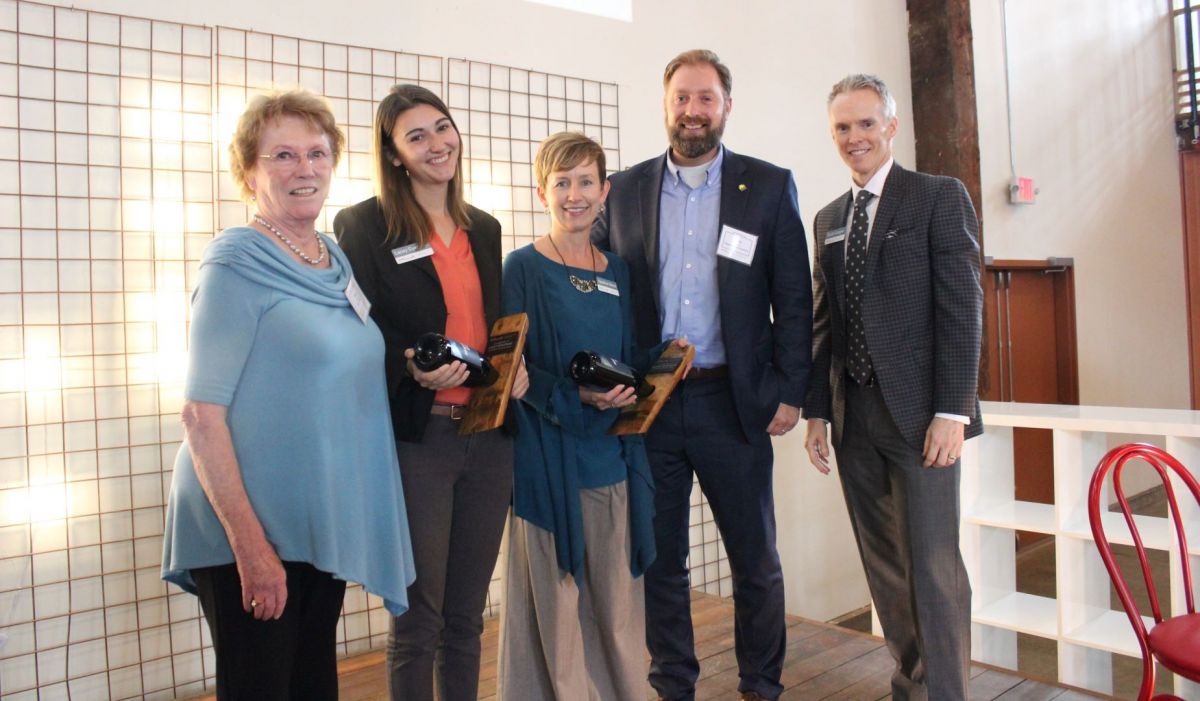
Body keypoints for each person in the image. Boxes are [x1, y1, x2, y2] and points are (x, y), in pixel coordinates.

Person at [160, 88, 414, 700]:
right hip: (251, 533)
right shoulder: (234, 263)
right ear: (249, 171)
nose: (304, 169)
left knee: (310, 689)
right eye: (282, 156)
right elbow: (200, 415)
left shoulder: (333, 261)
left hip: (314, 530)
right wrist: (251, 548)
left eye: (317, 153)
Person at [593, 49, 812, 701]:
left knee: (755, 560)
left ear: (726, 107)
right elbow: (604, 287)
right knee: (661, 561)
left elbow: (794, 296)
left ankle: (761, 685)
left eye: (706, 98)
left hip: (734, 402)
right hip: (650, 402)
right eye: (682, 98)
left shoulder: (768, 185)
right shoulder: (625, 188)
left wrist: (789, 390)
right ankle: (674, 685)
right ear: (666, 105)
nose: (693, 110)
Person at [333, 84, 528, 701]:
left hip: (489, 436)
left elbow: (491, 326)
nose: (436, 144)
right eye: (416, 136)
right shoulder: (364, 225)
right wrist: (408, 366)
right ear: (394, 155)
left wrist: (514, 370)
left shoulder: (485, 228)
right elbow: (355, 329)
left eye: (442, 128)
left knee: (469, 617)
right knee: (420, 619)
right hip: (421, 439)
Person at [803, 73, 983, 700]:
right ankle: (913, 687)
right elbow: (823, 324)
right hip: (855, 420)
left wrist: (952, 412)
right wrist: (818, 414)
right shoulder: (828, 218)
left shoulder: (936, 196)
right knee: (886, 570)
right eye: (842, 128)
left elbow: (963, 308)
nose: (855, 137)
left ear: (891, 126)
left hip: (921, 419)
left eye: (865, 124)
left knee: (934, 569)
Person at [499, 131, 677, 700]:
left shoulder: (619, 272)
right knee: (555, 608)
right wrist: (578, 398)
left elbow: (628, 352)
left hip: (614, 456)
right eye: (561, 183)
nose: (574, 195)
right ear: (541, 191)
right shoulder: (521, 267)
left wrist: (666, 366)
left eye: (585, 182)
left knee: (619, 608)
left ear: (604, 192)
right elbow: (514, 371)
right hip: (549, 462)